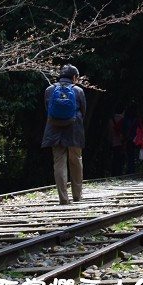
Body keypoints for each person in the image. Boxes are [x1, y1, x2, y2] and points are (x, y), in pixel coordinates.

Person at [42, 65, 87, 205]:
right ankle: (77, 196)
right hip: (74, 129)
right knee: (76, 161)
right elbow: (83, 110)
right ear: (74, 77)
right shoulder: (78, 90)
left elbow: (47, 109)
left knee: (59, 163)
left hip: (54, 130)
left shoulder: (49, 90)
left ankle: (63, 198)